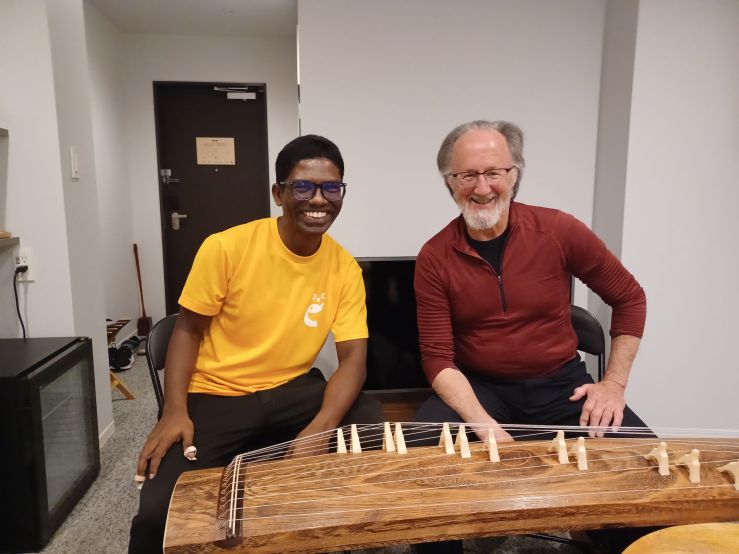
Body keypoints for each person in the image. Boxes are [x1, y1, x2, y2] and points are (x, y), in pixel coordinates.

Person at [128, 135, 383, 553]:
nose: (319, 200)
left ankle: (308, 530)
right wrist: (174, 410)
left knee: (369, 420)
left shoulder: (344, 268)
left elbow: (354, 358)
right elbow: (187, 331)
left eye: (331, 188)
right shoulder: (226, 247)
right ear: (279, 193)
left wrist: (319, 429)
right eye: (304, 187)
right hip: (217, 395)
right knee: (160, 513)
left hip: (290, 390)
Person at [413, 120, 652, 553]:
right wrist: (483, 424)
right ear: (449, 183)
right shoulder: (434, 256)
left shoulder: (559, 230)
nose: (482, 187)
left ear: (515, 174)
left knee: (645, 471)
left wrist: (613, 385)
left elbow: (630, 297)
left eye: (494, 172)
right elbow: (437, 357)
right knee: (420, 467)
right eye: (467, 175)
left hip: (563, 386)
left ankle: (600, 536)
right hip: (480, 389)